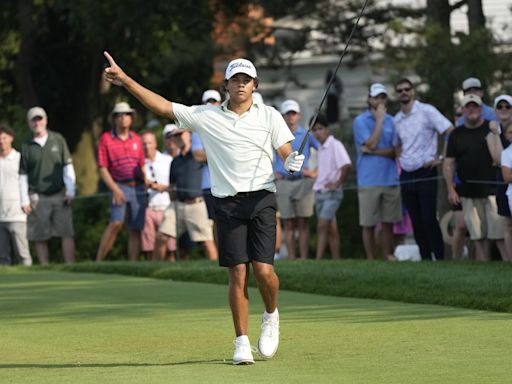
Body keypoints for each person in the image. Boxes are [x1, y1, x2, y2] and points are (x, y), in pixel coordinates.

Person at [103, 52, 304, 364]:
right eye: (235, 79)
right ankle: (240, 341)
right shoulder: (207, 116)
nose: (240, 84)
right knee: (237, 273)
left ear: (254, 85)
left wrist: (291, 160)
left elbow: (286, 150)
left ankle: (271, 314)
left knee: (264, 272)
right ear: (225, 85)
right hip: (227, 203)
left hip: (262, 198)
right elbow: (163, 106)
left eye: (246, 80)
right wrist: (127, 81)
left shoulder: (270, 115)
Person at [393, 78, 453, 261]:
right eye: (400, 90)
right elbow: (397, 145)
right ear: (397, 95)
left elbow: (450, 130)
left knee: (428, 218)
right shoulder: (397, 119)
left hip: (425, 171)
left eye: (407, 89)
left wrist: (441, 158)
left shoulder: (427, 111)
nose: (404, 92)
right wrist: (400, 160)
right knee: (416, 221)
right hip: (407, 174)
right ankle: (425, 258)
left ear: (413, 91)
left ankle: (439, 258)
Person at [444, 94, 507, 261]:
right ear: (463, 110)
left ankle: (508, 264)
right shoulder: (456, 134)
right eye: (468, 107)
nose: (471, 109)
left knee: (499, 234)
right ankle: (484, 268)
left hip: (492, 189)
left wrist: (494, 135)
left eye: (475, 106)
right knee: (478, 237)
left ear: (481, 109)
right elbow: (449, 164)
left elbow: (499, 158)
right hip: (467, 192)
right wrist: (451, 189)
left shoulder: (492, 128)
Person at [20, 107, 76, 265]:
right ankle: (45, 267)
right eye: (34, 120)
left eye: (40, 119)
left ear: (45, 120)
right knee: (40, 235)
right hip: (38, 196)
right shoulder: (26, 146)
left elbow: (67, 166)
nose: (37, 122)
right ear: (29, 123)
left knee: (66, 232)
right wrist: (24, 200)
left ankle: (71, 266)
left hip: (60, 194)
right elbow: (22, 175)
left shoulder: (58, 139)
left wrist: (71, 190)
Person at [353, 83, 402, 261]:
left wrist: (373, 150)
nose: (380, 100)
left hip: (390, 179)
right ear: (369, 99)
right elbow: (371, 142)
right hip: (368, 180)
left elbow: (395, 152)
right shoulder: (360, 121)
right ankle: (371, 260)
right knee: (368, 224)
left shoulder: (393, 120)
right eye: (376, 97)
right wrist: (379, 121)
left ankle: (387, 255)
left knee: (389, 223)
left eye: (383, 97)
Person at [153, 128, 218, 262]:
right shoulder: (175, 161)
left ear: (189, 135)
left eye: (179, 134)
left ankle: (215, 269)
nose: (177, 138)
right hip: (177, 205)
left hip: (197, 204)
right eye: (174, 136)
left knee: (207, 241)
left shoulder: (198, 155)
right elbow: (171, 184)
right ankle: (155, 269)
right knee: (161, 236)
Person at [96, 102, 147, 262]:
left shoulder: (137, 139)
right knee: (116, 223)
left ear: (131, 118)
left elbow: (141, 164)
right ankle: (98, 261)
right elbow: (102, 168)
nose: (123, 118)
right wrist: (115, 189)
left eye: (126, 114)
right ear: (114, 119)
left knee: (135, 228)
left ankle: (133, 264)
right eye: (119, 115)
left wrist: (146, 180)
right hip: (119, 185)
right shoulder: (106, 139)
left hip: (138, 186)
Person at [274, 99, 318, 259]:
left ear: (298, 115)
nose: (291, 117)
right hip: (284, 182)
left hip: (303, 182)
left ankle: (304, 258)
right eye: (288, 114)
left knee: (303, 222)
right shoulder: (277, 134)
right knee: (288, 223)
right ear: (283, 116)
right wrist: (273, 173)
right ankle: (293, 258)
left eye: (293, 113)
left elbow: (325, 149)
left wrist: (316, 172)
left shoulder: (307, 134)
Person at [312, 115, 351, 259]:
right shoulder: (320, 148)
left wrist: (337, 183)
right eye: (314, 130)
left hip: (332, 193)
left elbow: (346, 165)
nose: (317, 132)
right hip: (320, 192)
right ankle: (336, 260)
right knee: (331, 228)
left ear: (327, 129)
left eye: (320, 129)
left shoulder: (335, 144)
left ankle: (318, 259)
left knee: (321, 226)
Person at [140, 129, 175, 261]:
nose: (147, 146)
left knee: (170, 248)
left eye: (149, 143)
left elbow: (174, 185)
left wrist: (159, 187)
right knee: (149, 247)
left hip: (167, 207)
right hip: (148, 208)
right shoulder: (140, 164)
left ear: (155, 143)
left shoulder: (168, 160)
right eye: (144, 143)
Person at [0, 125, 32, 266]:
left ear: (11, 138)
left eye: (4, 138)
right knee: (2, 256)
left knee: (23, 255)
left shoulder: (19, 158)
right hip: (0, 216)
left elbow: (26, 183)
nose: (1, 141)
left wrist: (26, 202)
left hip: (17, 214)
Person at [486, 95, 512, 260]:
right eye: (499, 107)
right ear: (495, 110)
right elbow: (497, 158)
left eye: (507, 106)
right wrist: (496, 133)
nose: (503, 109)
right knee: (509, 224)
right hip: (503, 181)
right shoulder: (491, 134)